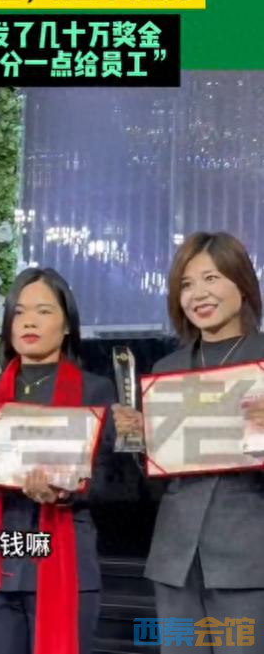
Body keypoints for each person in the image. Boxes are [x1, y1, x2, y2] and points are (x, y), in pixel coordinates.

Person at [0, 267, 117, 654]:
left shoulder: (94, 391)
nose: (29, 321)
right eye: (19, 312)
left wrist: (61, 494)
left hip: (65, 563)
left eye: (43, 311)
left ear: (67, 326)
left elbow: (108, 481)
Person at [112, 231, 264, 653]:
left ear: (242, 283)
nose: (198, 294)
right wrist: (141, 440)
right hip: (175, 560)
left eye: (211, 279)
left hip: (249, 560)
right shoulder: (167, 369)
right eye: (186, 284)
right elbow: (157, 477)